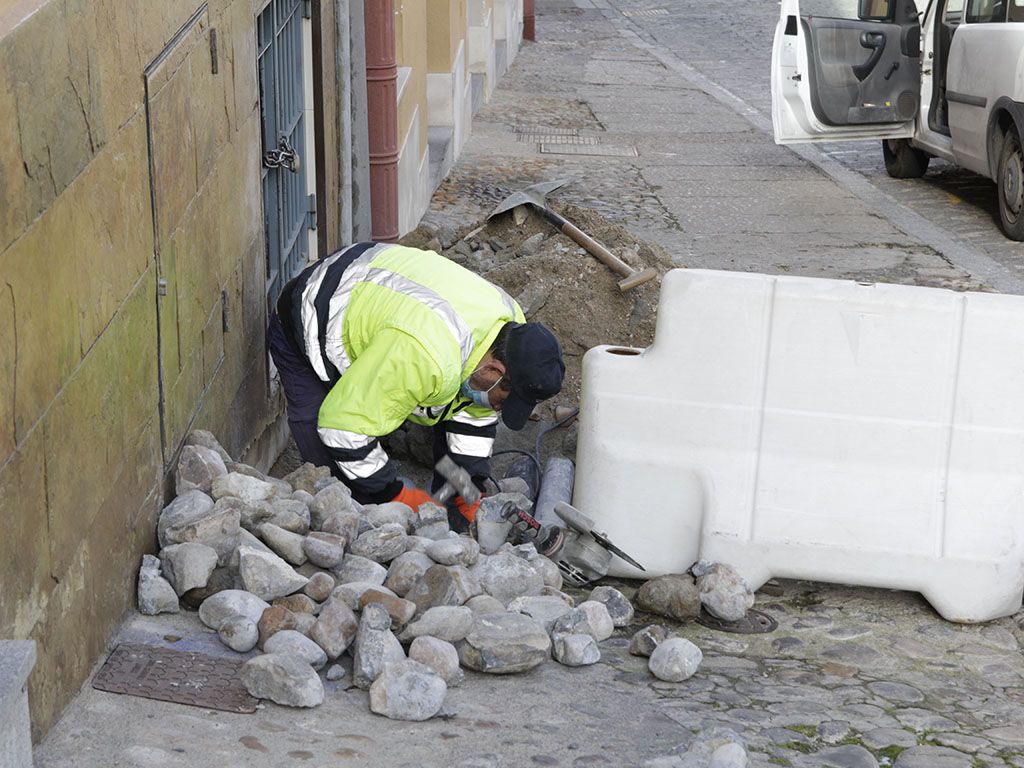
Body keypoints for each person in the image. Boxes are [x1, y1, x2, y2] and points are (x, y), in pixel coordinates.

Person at [266, 241, 565, 530]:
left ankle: (447, 505)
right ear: (493, 369)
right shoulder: (424, 356)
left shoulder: (511, 328)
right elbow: (342, 428)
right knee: (342, 480)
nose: (501, 407)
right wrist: (394, 494)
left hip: (386, 302)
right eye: (505, 396)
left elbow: (469, 421)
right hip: (315, 309)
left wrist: (468, 489)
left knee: (450, 445)